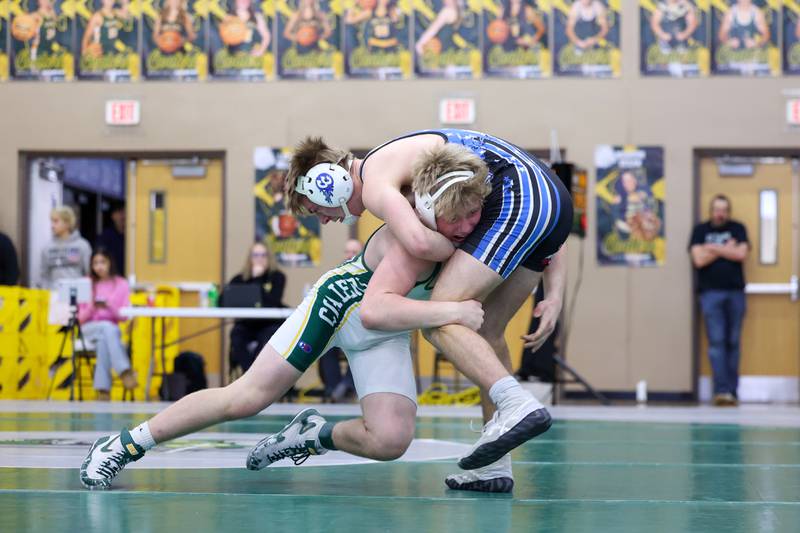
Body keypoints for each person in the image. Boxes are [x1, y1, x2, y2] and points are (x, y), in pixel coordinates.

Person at [79, 154, 489, 491]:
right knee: (246, 397)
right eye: (463, 216)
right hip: (343, 306)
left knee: (390, 440)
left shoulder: (438, 199)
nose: (328, 221)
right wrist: (452, 310)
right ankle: (125, 444)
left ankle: (310, 435)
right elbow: (402, 271)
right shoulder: (398, 203)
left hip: (388, 326)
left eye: (318, 210)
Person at [283, 128, 571, 473]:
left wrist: (452, 250)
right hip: (551, 204)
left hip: (521, 200)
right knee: (488, 331)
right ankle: (494, 468)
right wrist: (554, 295)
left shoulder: (379, 181)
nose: (327, 219)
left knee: (442, 317)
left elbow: (419, 243)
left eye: (320, 210)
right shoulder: (446, 170)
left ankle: (516, 402)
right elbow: (545, 207)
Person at [689, 195, 749, 406]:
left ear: (728, 211)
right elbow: (698, 260)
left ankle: (732, 392)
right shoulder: (700, 231)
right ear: (711, 210)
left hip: (735, 294)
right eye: (716, 209)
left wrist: (712, 248)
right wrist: (726, 248)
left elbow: (741, 254)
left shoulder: (738, 228)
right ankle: (721, 392)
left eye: (724, 209)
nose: (720, 213)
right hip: (710, 294)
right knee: (716, 343)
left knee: (733, 343)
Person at [78, 248, 137, 401]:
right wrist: (93, 306)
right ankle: (123, 370)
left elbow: (124, 317)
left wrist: (109, 305)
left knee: (105, 340)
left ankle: (103, 391)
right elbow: (79, 319)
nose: (99, 266)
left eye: (103, 262)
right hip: (89, 328)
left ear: (110, 262)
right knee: (108, 328)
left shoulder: (122, 284)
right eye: (95, 263)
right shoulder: (86, 283)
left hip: (109, 332)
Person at [225, 242, 287, 373]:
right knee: (236, 334)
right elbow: (223, 300)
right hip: (247, 324)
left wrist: (257, 280)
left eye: (263, 255)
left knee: (269, 339)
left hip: (268, 324)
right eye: (256, 255)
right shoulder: (240, 278)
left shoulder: (277, 277)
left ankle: (258, 375)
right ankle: (249, 374)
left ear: (269, 257)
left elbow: (273, 302)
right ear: (250, 258)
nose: (259, 258)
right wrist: (252, 278)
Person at [317, 239, 362, 401]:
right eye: (347, 252)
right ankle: (336, 388)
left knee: (359, 343)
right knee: (324, 341)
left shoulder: (373, 275)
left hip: (362, 327)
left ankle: (348, 386)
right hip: (339, 327)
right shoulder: (336, 275)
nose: (349, 255)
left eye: (354, 252)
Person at [41, 206, 92, 289]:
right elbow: (44, 274)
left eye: (56, 221)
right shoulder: (47, 248)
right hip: (54, 296)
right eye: (51, 221)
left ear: (67, 223)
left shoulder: (82, 245)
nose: (52, 225)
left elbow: (89, 272)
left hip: (76, 295)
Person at [96, 204, 125, 276]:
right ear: (113, 216)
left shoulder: (134, 237)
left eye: (124, 212)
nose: (123, 216)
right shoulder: (105, 236)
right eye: (119, 212)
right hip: (111, 276)